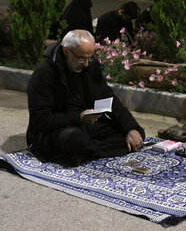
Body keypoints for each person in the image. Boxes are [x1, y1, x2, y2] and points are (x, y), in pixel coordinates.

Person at [27, 30, 145, 166]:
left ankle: (84, 154)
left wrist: (130, 128)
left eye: (89, 58)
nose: (86, 64)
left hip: (87, 125)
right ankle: (84, 151)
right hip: (57, 130)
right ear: (66, 51)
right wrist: (79, 117)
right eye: (81, 58)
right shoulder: (45, 74)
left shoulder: (90, 66)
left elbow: (109, 98)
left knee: (136, 134)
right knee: (77, 140)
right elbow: (41, 120)